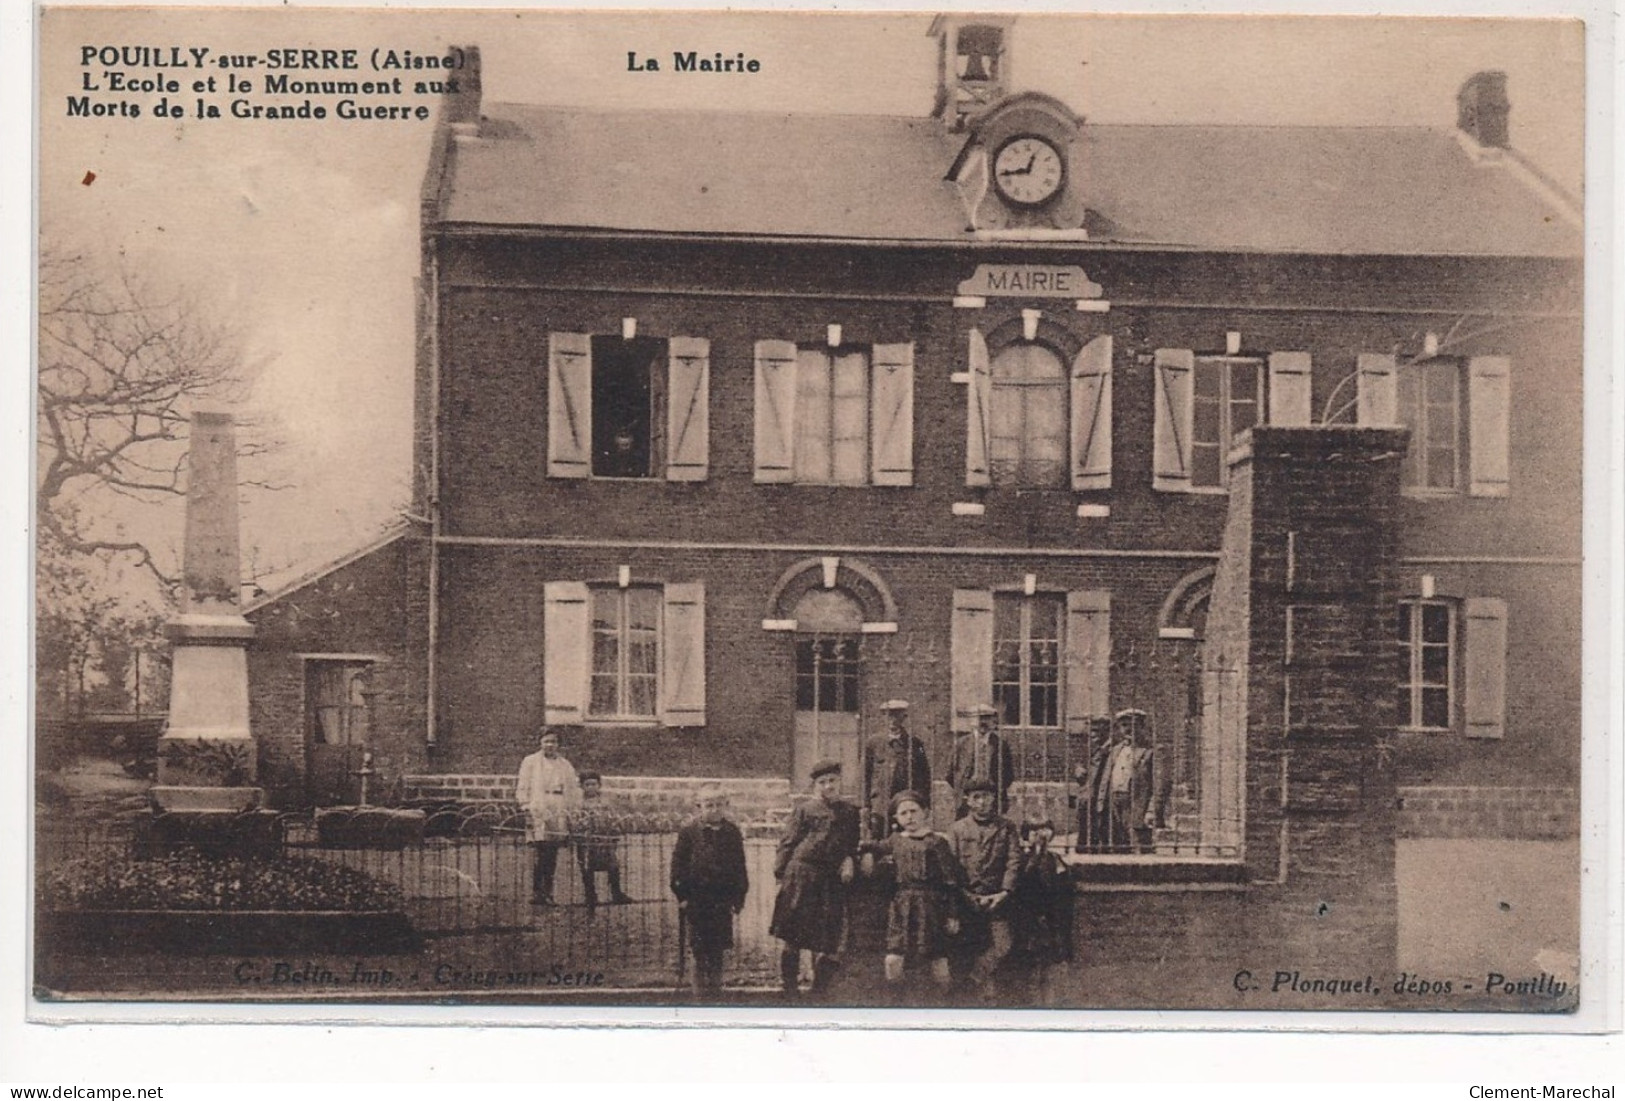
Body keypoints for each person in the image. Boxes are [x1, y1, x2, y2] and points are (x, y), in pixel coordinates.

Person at [769, 758, 861, 999]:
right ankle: (789, 992)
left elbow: (851, 845)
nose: (828, 786)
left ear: (840, 782)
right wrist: (781, 876)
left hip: (829, 880)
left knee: (831, 942)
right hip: (801, 875)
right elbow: (788, 842)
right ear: (815, 786)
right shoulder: (804, 810)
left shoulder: (851, 812)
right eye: (823, 782)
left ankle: (818, 992)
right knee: (793, 937)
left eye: (832, 781)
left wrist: (849, 859)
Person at [862, 790, 963, 993]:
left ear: (925, 812)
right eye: (903, 813)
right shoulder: (895, 840)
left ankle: (946, 1001)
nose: (909, 817)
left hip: (932, 905)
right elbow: (870, 846)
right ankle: (896, 1002)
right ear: (896, 819)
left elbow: (951, 881)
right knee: (893, 958)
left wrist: (952, 913)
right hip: (902, 905)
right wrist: (865, 849)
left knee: (937, 959)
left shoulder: (937, 842)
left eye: (914, 811)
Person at [670, 784, 749, 1002]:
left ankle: (716, 993)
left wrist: (738, 896)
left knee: (717, 950)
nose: (714, 809)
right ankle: (700, 998)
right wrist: (682, 896)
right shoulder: (689, 832)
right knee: (698, 950)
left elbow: (739, 866)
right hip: (697, 901)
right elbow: (678, 867)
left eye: (719, 804)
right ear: (699, 806)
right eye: (709, 805)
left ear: (726, 805)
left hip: (721, 902)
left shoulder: (731, 832)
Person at [945, 777, 1021, 998]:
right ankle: (973, 996)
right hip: (967, 898)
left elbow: (1013, 861)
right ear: (967, 800)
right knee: (965, 946)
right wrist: (964, 893)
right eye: (976, 797)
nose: (981, 802)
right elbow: (951, 864)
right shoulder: (957, 829)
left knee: (1002, 945)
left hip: (998, 898)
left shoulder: (1007, 828)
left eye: (986, 797)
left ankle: (975, 979)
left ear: (994, 799)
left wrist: (1005, 892)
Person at [1075, 708, 1167, 854]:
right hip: (1112, 805)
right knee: (1115, 849)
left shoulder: (1152, 751)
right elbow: (1102, 776)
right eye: (1124, 725)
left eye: (1133, 724)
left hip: (1136, 807)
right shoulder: (1115, 750)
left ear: (1142, 727)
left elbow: (1160, 786)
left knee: (1139, 850)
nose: (1128, 729)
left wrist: (1151, 812)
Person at [514, 728, 582, 905]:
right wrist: (525, 805)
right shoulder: (530, 762)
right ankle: (538, 892)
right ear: (540, 742)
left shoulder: (565, 764)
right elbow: (523, 785)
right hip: (539, 803)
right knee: (540, 850)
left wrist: (572, 810)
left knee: (552, 852)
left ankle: (548, 891)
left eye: (553, 741)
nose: (550, 745)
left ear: (558, 744)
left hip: (558, 804)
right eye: (546, 741)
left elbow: (573, 789)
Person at [1012, 814, 1074, 971]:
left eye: (1044, 830)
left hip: (1051, 918)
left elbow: (1064, 890)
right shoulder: (1020, 858)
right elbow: (1022, 881)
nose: (1040, 835)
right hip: (1028, 917)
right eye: (1034, 831)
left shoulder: (1055, 859)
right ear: (1027, 835)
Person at [863, 699, 932, 837]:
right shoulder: (873, 743)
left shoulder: (914, 744)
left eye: (897, 715)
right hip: (880, 806)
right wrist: (866, 806)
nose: (892, 720)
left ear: (904, 717)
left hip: (905, 805)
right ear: (883, 717)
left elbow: (925, 777)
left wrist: (923, 804)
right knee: (879, 841)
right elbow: (865, 776)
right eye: (888, 715)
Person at [572, 770, 634, 910]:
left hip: (604, 838)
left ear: (599, 785)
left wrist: (614, 832)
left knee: (613, 865)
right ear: (582, 786)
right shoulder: (579, 804)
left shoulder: (606, 802)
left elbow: (613, 818)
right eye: (587, 784)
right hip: (587, 840)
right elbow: (575, 821)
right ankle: (590, 894)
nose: (591, 787)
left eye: (594, 784)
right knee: (587, 867)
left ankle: (616, 893)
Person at [946, 705, 1016, 817]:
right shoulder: (961, 744)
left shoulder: (1001, 745)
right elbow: (950, 774)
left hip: (992, 797)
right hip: (967, 799)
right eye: (978, 718)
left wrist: (995, 788)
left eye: (987, 718)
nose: (982, 722)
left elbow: (1008, 775)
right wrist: (963, 789)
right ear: (971, 721)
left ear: (993, 721)